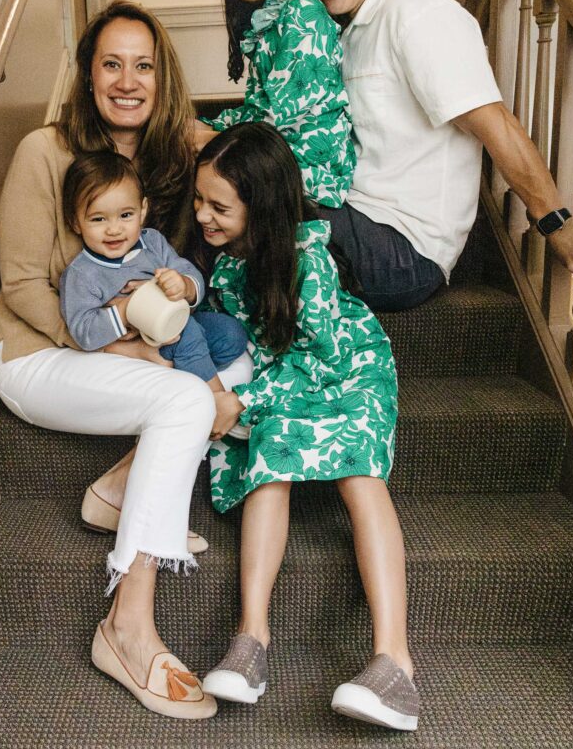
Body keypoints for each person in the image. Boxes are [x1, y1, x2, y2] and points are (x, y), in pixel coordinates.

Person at [0, 0, 251, 719]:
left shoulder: (165, 162)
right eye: (112, 63)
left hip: (124, 350)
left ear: (161, 80)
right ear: (87, 73)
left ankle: (116, 493)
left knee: (234, 353)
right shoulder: (43, 152)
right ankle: (126, 626)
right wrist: (118, 344)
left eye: (143, 66)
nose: (127, 81)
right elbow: (19, 283)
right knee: (187, 398)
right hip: (41, 356)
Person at [193, 122, 418, 733]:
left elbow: (321, 351)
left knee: (360, 480)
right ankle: (251, 642)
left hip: (347, 369)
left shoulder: (308, 259)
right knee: (271, 465)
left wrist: (242, 400)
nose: (203, 216)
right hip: (288, 377)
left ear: (261, 208)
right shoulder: (225, 264)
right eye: (199, 201)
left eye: (219, 206)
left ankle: (395, 661)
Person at [299, 0, 573, 310]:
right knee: (236, 191)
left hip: (404, 251)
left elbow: (495, 125)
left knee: (252, 185)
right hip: (356, 221)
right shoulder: (348, 32)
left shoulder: (419, 18)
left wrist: (556, 222)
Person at [193, 0, 356, 207]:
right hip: (282, 150)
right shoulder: (271, 21)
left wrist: (214, 140)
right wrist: (212, 126)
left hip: (311, 170)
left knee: (204, 170)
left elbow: (282, 119)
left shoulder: (303, 14)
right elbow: (261, 109)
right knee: (193, 139)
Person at [60, 149, 248, 390]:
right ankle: (215, 395)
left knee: (231, 334)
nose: (114, 229)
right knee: (188, 333)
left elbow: (189, 272)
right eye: (98, 219)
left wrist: (183, 284)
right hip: (143, 341)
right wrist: (125, 311)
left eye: (126, 215)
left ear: (143, 210)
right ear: (75, 222)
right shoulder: (82, 273)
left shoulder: (153, 242)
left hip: (177, 323)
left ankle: (185, 367)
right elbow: (83, 332)